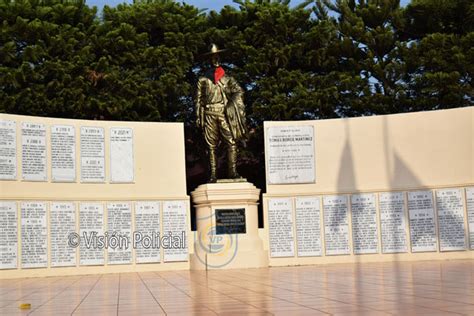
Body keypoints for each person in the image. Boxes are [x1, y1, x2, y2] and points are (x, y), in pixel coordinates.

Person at [195, 44, 248, 183]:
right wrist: (198, 116)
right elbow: (198, 100)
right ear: (209, 60)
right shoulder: (202, 79)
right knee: (211, 145)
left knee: (231, 141)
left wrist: (231, 105)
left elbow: (239, 91)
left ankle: (233, 172)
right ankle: (213, 174)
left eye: (217, 56)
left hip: (224, 113)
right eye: (212, 57)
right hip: (209, 113)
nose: (215, 59)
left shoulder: (228, 79)